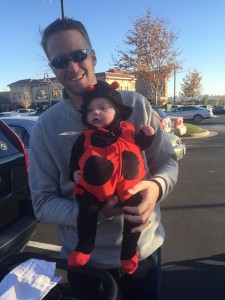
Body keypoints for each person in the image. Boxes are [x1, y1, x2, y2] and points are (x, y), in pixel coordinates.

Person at [29, 17, 178, 300]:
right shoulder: (45, 127)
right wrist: (95, 212)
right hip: (88, 267)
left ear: (93, 56)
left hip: (144, 254)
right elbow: (42, 203)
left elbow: (167, 162)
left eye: (78, 55)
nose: (72, 67)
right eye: (60, 61)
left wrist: (155, 189)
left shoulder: (134, 104)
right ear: (52, 69)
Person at [68, 80, 155, 274]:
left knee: (135, 217)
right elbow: (74, 158)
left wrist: (148, 135)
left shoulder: (129, 130)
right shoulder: (86, 136)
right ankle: (84, 247)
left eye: (102, 108)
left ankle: (129, 253)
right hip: (94, 191)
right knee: (86, 213)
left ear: (117, 111)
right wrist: (72, 172)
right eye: (90, 110)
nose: (95, 112)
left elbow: (142, 145)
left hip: (130, 189)